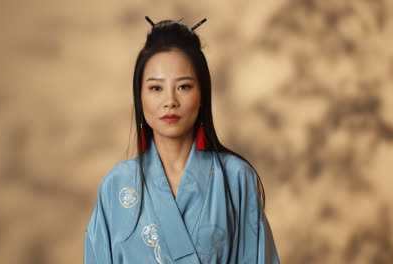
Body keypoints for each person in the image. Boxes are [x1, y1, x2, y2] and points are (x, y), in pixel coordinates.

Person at [84, 17, 280, 264]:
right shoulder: (116, 185)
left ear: (202, 95)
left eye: (184, 87)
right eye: (156, 88)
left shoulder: (236, 178)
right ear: (139, 96)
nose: (170, 101)